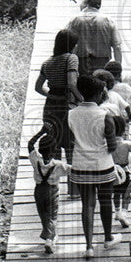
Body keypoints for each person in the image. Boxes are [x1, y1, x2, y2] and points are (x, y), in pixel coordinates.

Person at [67, 74, 123, 259]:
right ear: (98, 94)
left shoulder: (71, 114)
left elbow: (69, 139)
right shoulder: (105, 116)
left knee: (87, 205)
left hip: (81, 165)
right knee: (105, 201)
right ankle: (108, 238)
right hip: (102, 165)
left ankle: (89, 246)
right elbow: (112, 145)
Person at [34, 28, 81, 162]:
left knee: (54, 145)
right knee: (70, 144)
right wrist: (81, 99)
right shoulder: (71, 58)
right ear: (72, 45)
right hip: (67, 105)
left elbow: (37, 87)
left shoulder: (47, 62)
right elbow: (72, 84)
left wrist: (52, 96)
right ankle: (72, 180)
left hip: (50, 107)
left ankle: (55, 181)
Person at [27, 124, 69, 253]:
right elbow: (74, 170)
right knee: (52, 216)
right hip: (52, 191)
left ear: (40, 149)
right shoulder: (58, 165)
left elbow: (30, 144)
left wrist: (41, 132)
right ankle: (50, 240)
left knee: (43, 215)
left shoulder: (36, 160)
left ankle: (48, 235)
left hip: (38, 191)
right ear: (53, 151)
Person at [67, 0, 123, 76]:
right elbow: (117, 46)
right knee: (101, 86)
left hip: (81, 63)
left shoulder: (74, 20)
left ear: (85, 3)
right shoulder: (108, 21)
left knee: (82, 87)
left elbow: (66, 44)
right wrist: (118, 71)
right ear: (99, 5)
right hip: (102, 63)